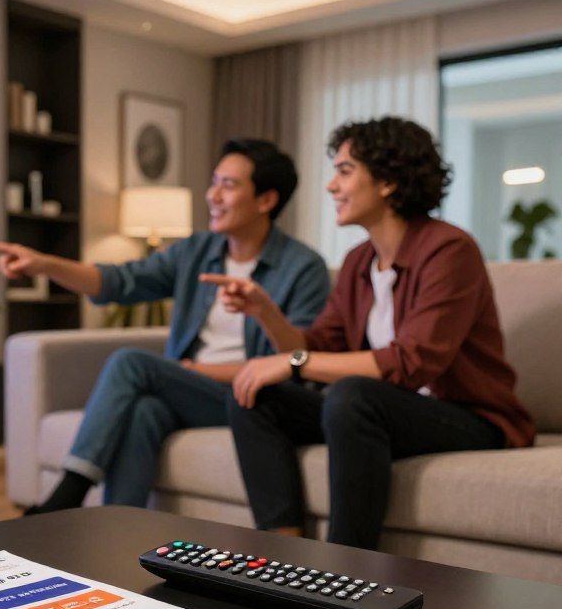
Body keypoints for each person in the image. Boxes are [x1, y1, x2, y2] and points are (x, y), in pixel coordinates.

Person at [206, 116, 536, 550]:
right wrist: (265, 312)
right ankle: (284, 554)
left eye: (345, 171)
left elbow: (412, 363)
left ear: (386, 182)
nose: (330, 186)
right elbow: (315, 348)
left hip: (468, 418)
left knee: (353, 394)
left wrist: (293, 361)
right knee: (251, 393)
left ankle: (347, 571)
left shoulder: (449, 250)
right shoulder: (360, 260)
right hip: (386, 414)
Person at [0, 139, 330, 513]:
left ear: (266, 200)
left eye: (228, 185)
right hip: (191, 389)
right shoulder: (197, 251)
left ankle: (69, 493)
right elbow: (117, 281)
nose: (212, 195)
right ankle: (117, 532)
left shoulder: (303, 268)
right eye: (214, 181)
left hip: (249, 400)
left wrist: (196, 369)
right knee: (145, 411)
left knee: (131, 362)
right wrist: (45, 265)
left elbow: (295, 360)